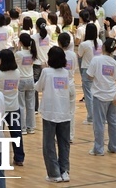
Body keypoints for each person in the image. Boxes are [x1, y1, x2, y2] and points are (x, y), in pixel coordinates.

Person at [35, 46, 71, 182]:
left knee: (49, 144)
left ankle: (54, 174)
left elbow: (38, 87)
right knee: (64, 143)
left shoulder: (46, 72)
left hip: (50, 112)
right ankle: (65, 171)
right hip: (65, 112)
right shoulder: (66, 73)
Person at [87, 37, 116, 156]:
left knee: (99, 123)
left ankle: (99, 149)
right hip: (112, 95)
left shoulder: (96, 60)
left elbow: (89, 76)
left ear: (103, 47)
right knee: (114, 122)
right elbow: (115, 78)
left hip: (100, 95)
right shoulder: (114, 62)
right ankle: (115, 146)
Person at [0, 49, 24, 166]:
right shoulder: (17, 72)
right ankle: (19, 158)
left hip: (0, 109)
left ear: (2, 60)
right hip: (14, 107)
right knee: (16, 133)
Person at [78, 23, 102, 124]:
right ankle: (98, 116)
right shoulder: (100, 42)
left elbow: (79, 55)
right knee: (97, 93)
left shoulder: (84, 44)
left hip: (87, 70)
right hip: (98, 70)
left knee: (88, 95)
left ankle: (91, 117)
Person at [15, 32, 37, 135]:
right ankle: (31, 127)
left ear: (21, 42)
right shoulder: (32, 53)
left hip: (21, 80)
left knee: (21, 105)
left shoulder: (19, 54)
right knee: (31, 105)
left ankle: (22, 128)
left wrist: (17, 48)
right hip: (30, 79)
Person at [58, 32, 78, 142]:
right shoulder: (73, 55)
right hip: (71, 84)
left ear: (59, 42)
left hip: (60, 86)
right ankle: (70, 136)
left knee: (61, 112)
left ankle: (62, 136)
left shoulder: (58, 53)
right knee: (71, 112)